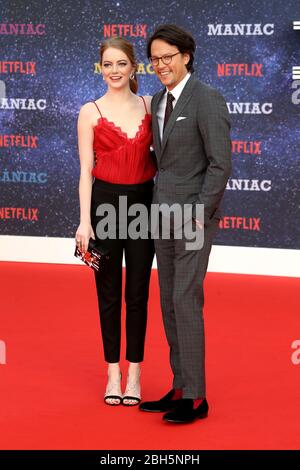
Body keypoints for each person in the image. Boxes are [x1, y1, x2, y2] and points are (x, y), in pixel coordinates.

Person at [139, 25, 231, 423]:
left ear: (186, 56)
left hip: (192, 216)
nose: (160, 65)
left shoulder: (207, 98)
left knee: (184, 300)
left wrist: (199, 211)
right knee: (168, 302)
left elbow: (220, 164)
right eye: (155, 59)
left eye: (167, 57)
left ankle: (196, 396)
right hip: (162, 214)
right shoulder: (157, 100)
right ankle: (180, 386)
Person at [75, 37, 156, 406]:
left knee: (137, 293)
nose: (114, 71)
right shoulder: (89, 111)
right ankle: (113, 372)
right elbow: (85, 173)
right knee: (107, 295)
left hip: (143, 206)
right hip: (104, 208)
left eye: (121, 63)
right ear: (100, 68)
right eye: (108, 64)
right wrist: (83, 223)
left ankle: (135, 373)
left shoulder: (151, 105)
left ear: (133, 66)